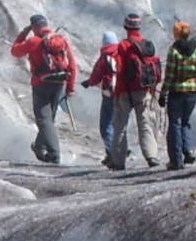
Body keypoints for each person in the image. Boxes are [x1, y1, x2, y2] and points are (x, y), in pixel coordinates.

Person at [11, 13, 78, 164]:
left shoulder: (34, 41)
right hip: (59, 83)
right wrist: (70, 87)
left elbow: (15, 51)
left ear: (34, 27)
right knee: (49, 119)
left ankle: (54, 154)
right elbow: (73, 65)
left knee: (44, 119)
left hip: (41, 84)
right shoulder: (61, 40)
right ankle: (40, 147)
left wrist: (24, 33)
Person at [107, 13, 161, 170]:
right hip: (144, 89)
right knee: (145, 123)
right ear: (139, 27)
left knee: (120, 126)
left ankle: (118, 161)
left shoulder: (123, 45)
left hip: (124, 90)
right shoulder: (147, 45)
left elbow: (117, 67)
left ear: (126, 27)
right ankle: (152, 156)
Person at [158, 20, 196, 170]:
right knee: (185, 121)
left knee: (175, 123)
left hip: (177, 91)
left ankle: (176, 159)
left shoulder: (174, 51)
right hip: (193, 91)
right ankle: (188, 151)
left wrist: (163, 93)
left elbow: (170, 74)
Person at [81, 29, 119, 165]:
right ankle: (122, 149)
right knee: (119, 122)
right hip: (123, 92)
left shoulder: (105, 55)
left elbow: (96, 75)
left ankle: (112, 151)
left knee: (106, 125)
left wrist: (89, 82)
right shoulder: (122, 52)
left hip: (109, 93)